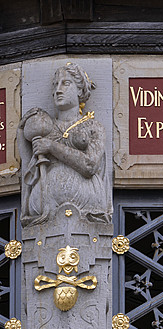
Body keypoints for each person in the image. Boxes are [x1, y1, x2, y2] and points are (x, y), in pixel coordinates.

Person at [18, 62, 111, 225]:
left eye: (66, 83)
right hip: (45, 206)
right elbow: (28, 169)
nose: (58, 90)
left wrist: (52, 147)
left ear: (80, 90)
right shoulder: (44, 127)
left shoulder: (93, 126)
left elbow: (90, 166)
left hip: (87, 206)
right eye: (55, 85)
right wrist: (21, 133)